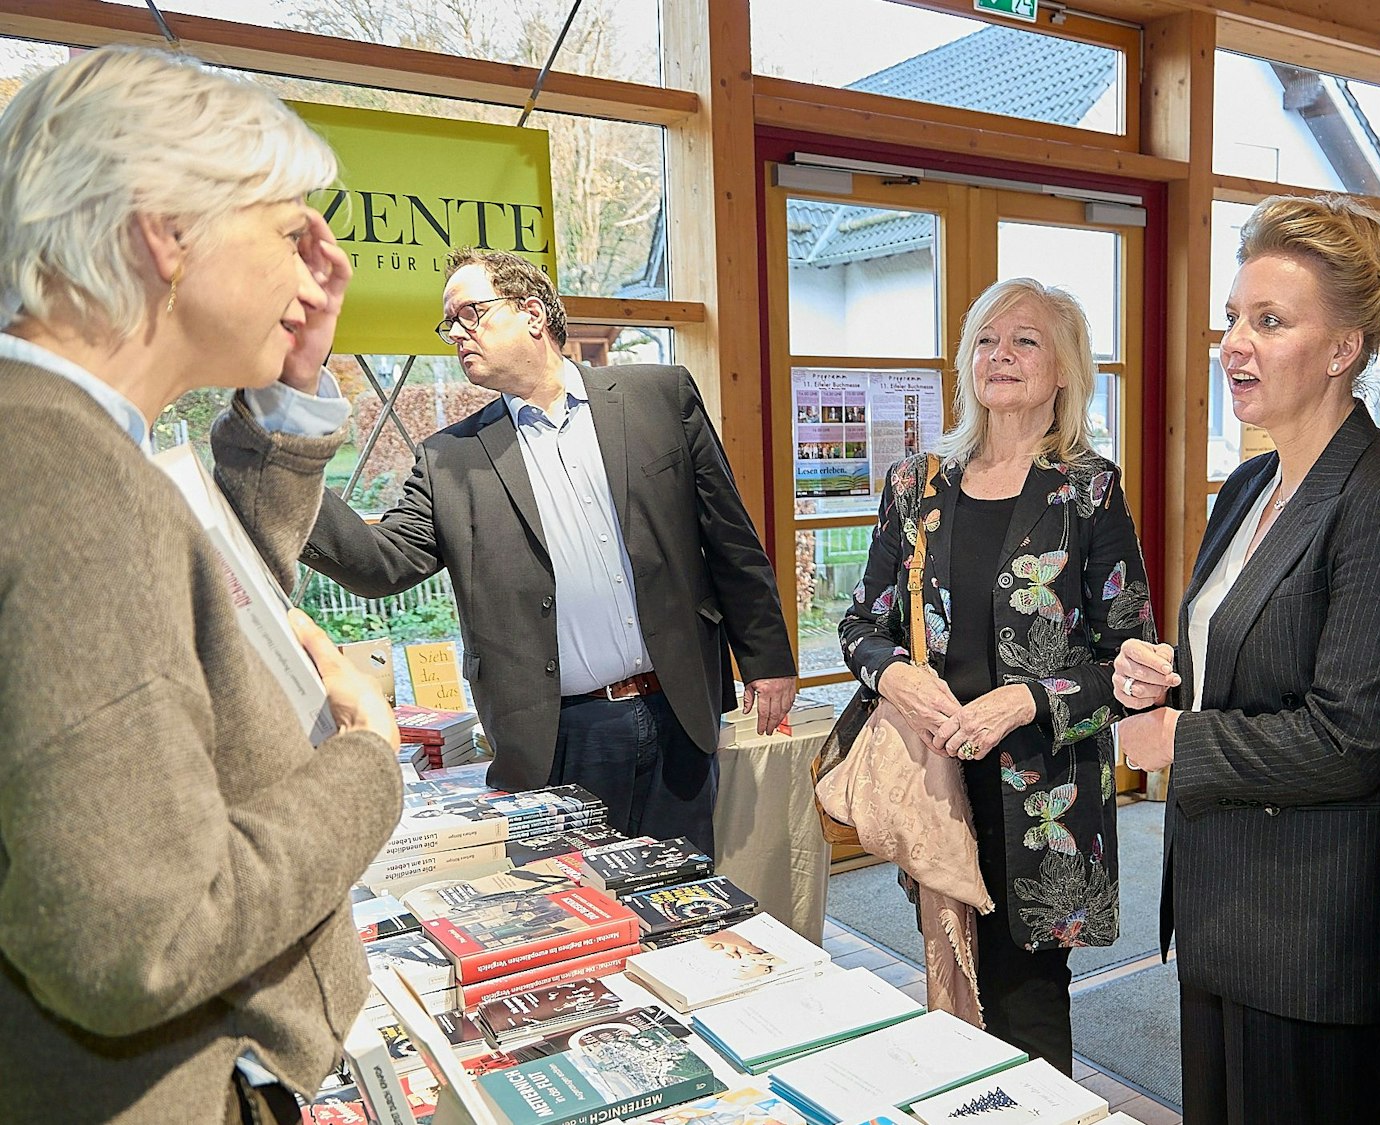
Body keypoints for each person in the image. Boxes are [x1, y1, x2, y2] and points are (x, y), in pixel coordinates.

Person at [0, 46, 402, 1123]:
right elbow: (141, 938)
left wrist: (294, 381)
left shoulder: (54, 444)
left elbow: (214, 629)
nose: (321, 272)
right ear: (164, 231)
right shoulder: (65, 477)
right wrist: (368, 763)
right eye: (290, 232)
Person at [214, 247, 796, 855]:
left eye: (472, 313)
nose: (456, 334)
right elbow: (381, 563)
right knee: (573, 922)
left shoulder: (659, 397)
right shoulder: (450, 459)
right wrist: (285, 469)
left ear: (533, 315)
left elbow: (729, 536)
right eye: (449, 323)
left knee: (683, 904)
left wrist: (767, 659)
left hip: (679, 706)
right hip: (557, 734)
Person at [1114, 195, 1380, 1122]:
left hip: (1318, 931)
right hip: (1226, 907)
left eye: (1269, 322)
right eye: (1232, 317)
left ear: (1344, 348)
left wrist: (1180, 741)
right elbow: (1229, 661)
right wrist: (1156, 672)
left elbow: (1350, 736)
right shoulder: (1250, 485)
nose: (1234, 343)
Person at [839, 278, 1155, 1071]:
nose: (1001, 355)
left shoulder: (1090, 490)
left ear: (1062, 371)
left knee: (1030, 1002)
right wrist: (893, 678)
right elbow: (860, 623)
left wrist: (1027, 698)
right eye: (986, 339)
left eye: (1025, 340)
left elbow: (1131, 659)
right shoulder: (916, 485)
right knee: (950, 989)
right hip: (938, 781)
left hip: (1046, 789)